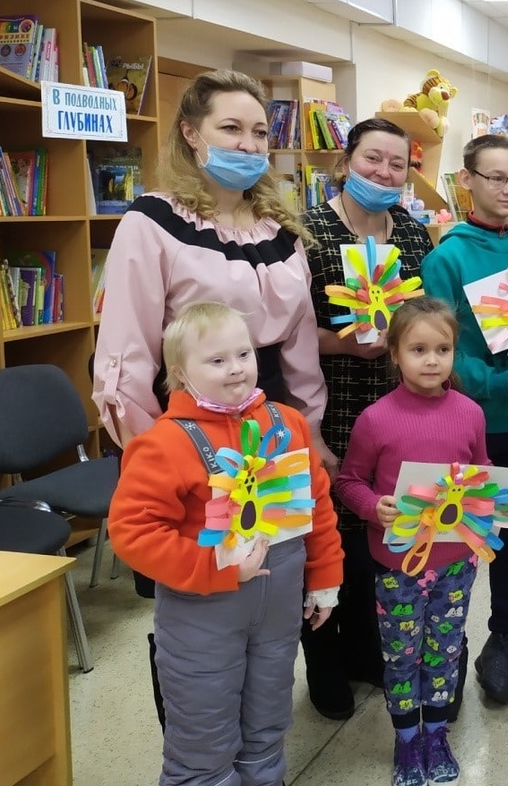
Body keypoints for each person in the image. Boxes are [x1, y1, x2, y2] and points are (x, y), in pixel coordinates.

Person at [93, 68, 328, 725]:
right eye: (230, 128)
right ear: (192, 134)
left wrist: (312, 433)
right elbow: (127, 354)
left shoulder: (280, 227)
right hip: (186, 425)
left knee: (266, 576)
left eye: (258, 133)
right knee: (197, 590)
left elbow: (299, 346)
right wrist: (155, 456)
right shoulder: (152, 222)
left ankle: (260, 741)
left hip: (270, 421)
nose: (248, 145)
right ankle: (196, 738)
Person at [108, 301, 343, 786]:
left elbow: (318, 506)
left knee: (268, 722)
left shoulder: (287, 423)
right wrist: (213, 566)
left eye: (243, 354)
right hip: (201, 619)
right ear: (180, 373)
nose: (236, 368)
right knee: (203, 737)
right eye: (217, 360)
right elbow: (132, 532)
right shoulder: (163, 444)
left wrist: (325, 579)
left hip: (278, 614)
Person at [299, 117, 435, 720]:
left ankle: (368, 651)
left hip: (398, 407)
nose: (384, 172)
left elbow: (426, 316)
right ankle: (325, 665)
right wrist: (344, 344)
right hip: (331, 402)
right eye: (372, 159)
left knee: (382, 531)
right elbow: (286, 333)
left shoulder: (413, 231)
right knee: (330, 535)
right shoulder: (307, 232)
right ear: (345, 161)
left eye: (397, 164)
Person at [421, 133, 508, 706]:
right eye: (496, 177)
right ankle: (442, 651)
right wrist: (498, 382)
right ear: (467, 180)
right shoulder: (446, 258)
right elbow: (436, 350)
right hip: (460, 422)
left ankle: (505, 639)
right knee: (449, 538)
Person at [336, 297, 489, 786]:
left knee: (444, 651)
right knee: (401, 656)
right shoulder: (376, 419)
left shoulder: (470, 413)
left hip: (456, 562)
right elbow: (349, 480)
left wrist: (495, 498)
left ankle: (437, 734)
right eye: (418, 349)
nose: (431, 360)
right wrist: (371, 507)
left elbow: (481, 472)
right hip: (397, 563)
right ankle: (406, 740)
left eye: (442, 349)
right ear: (395, 354)